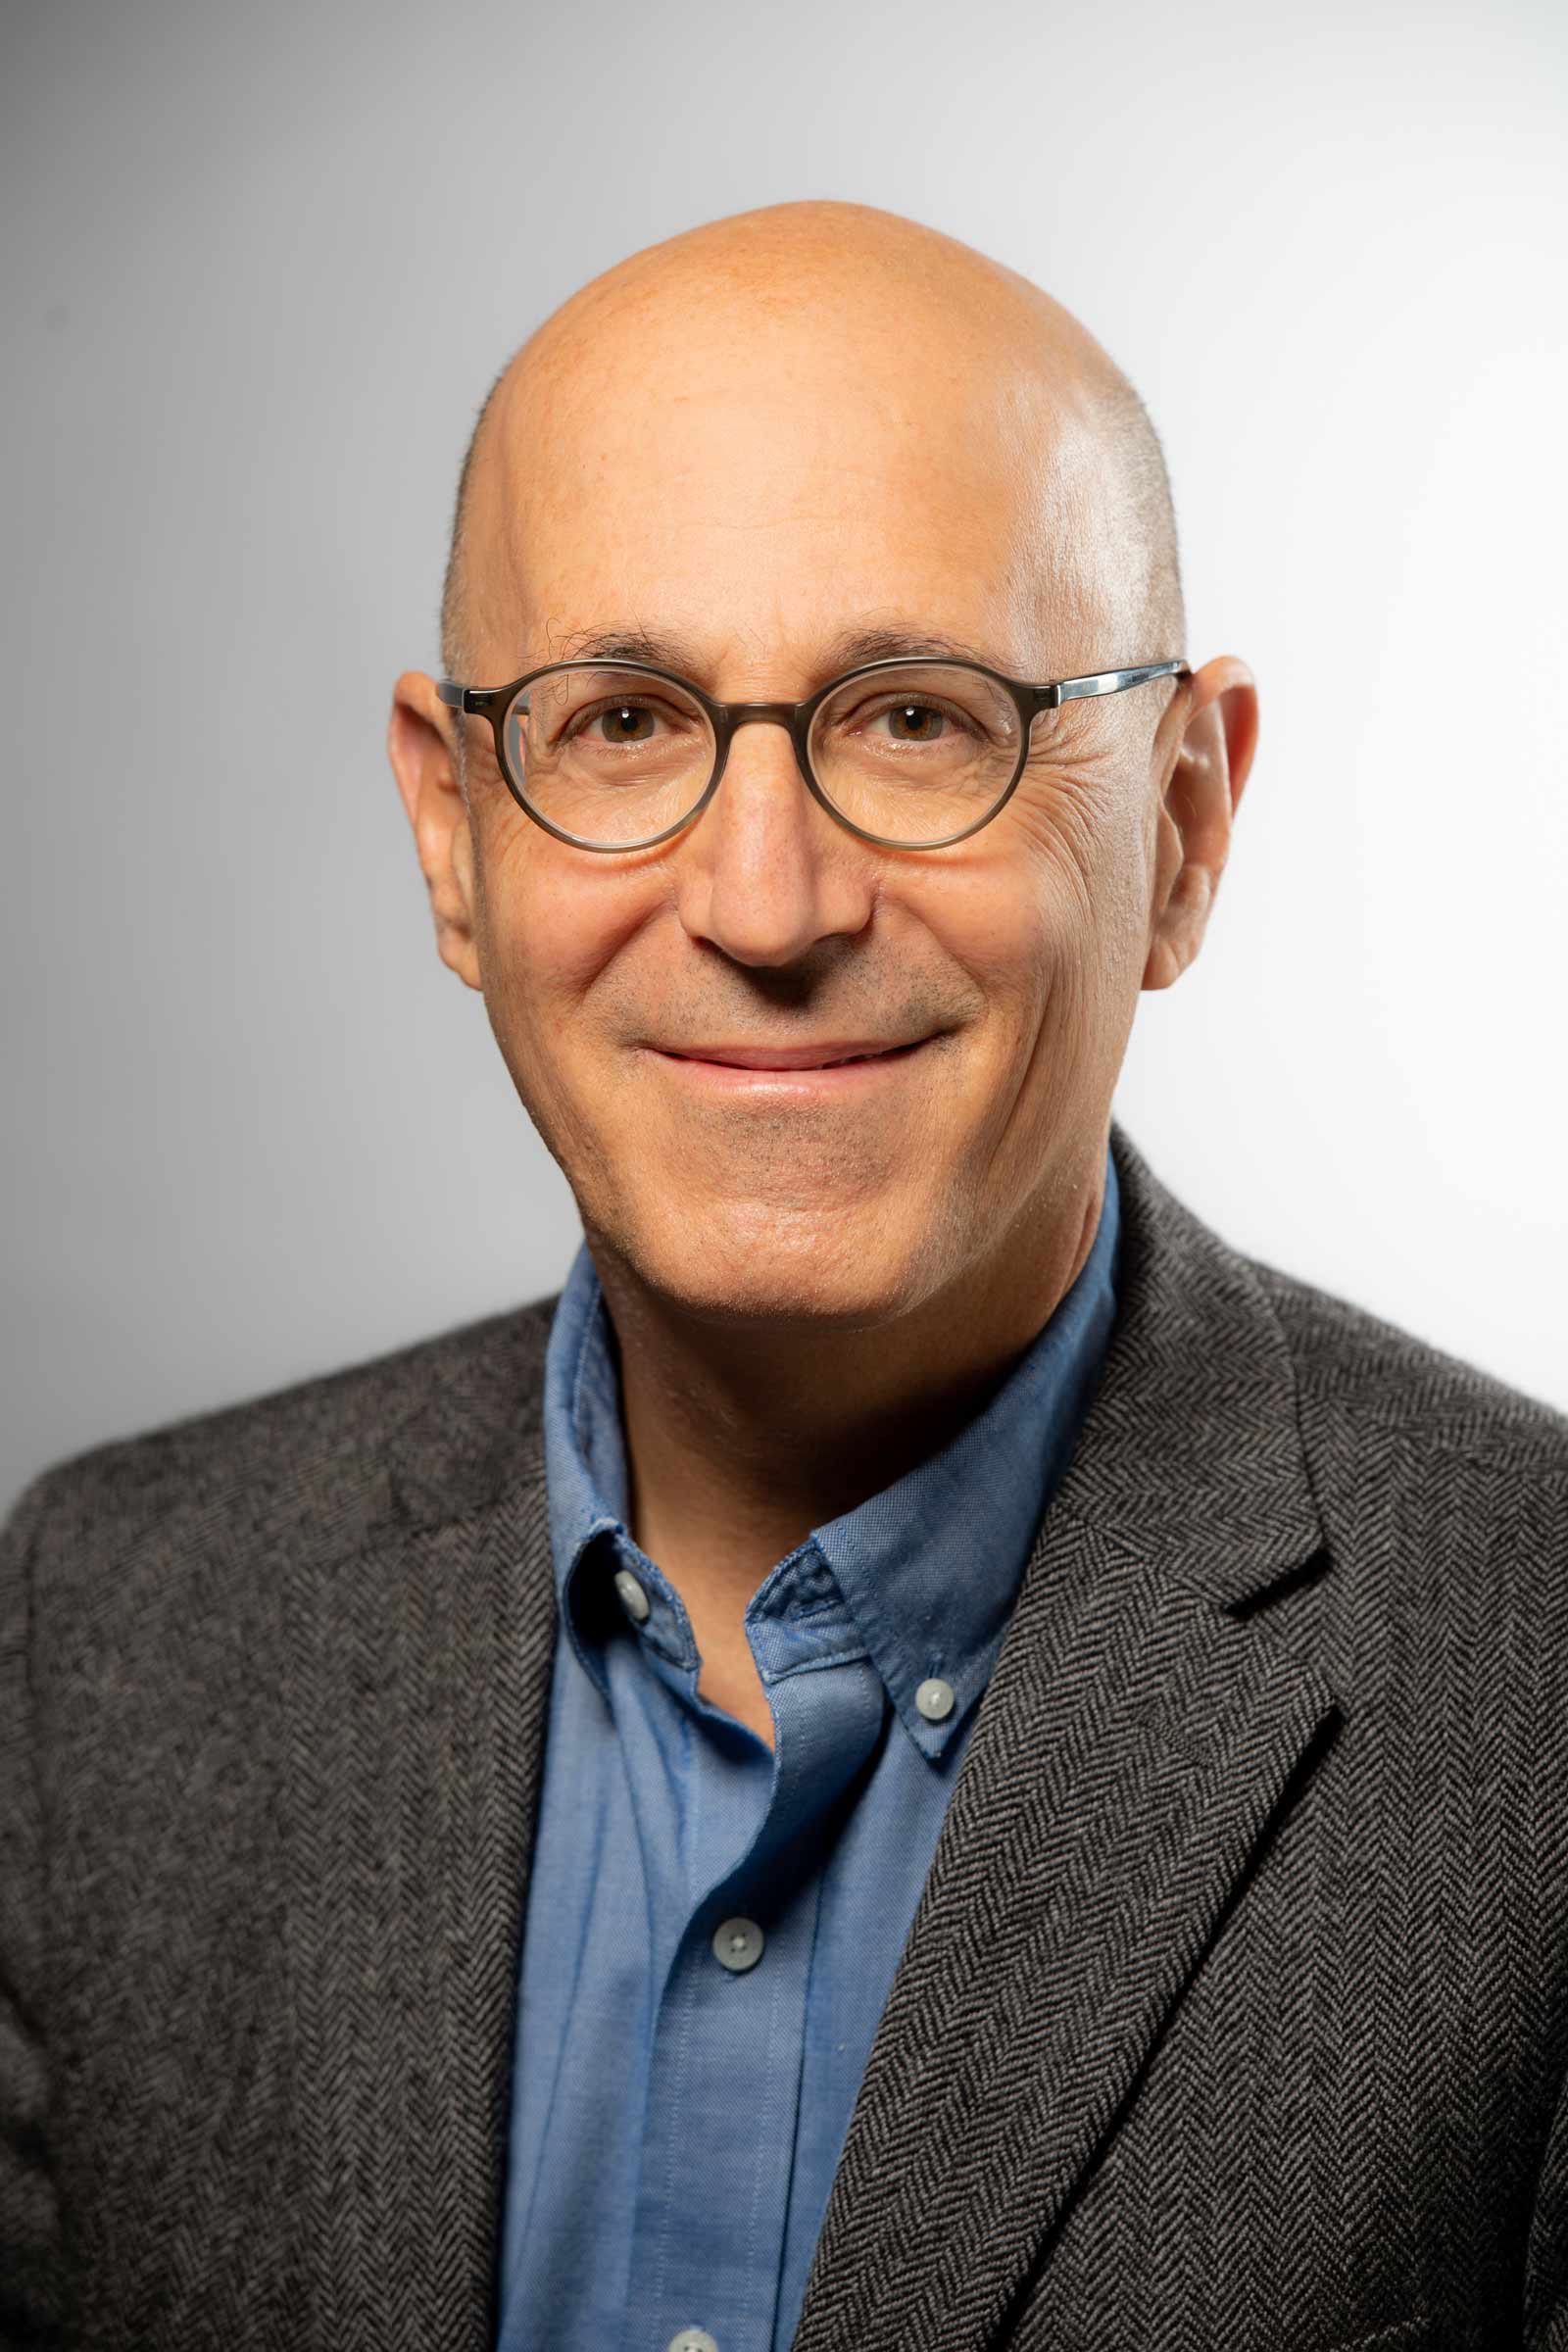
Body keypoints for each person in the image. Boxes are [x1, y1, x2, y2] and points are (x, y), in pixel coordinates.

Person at [2, 198, 1565, 2352]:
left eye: (919, 718)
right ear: (455, 833)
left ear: (1183, 831)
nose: (762, 900)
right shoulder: (107, 1639)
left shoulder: (1537, 1677)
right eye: (624, 720)